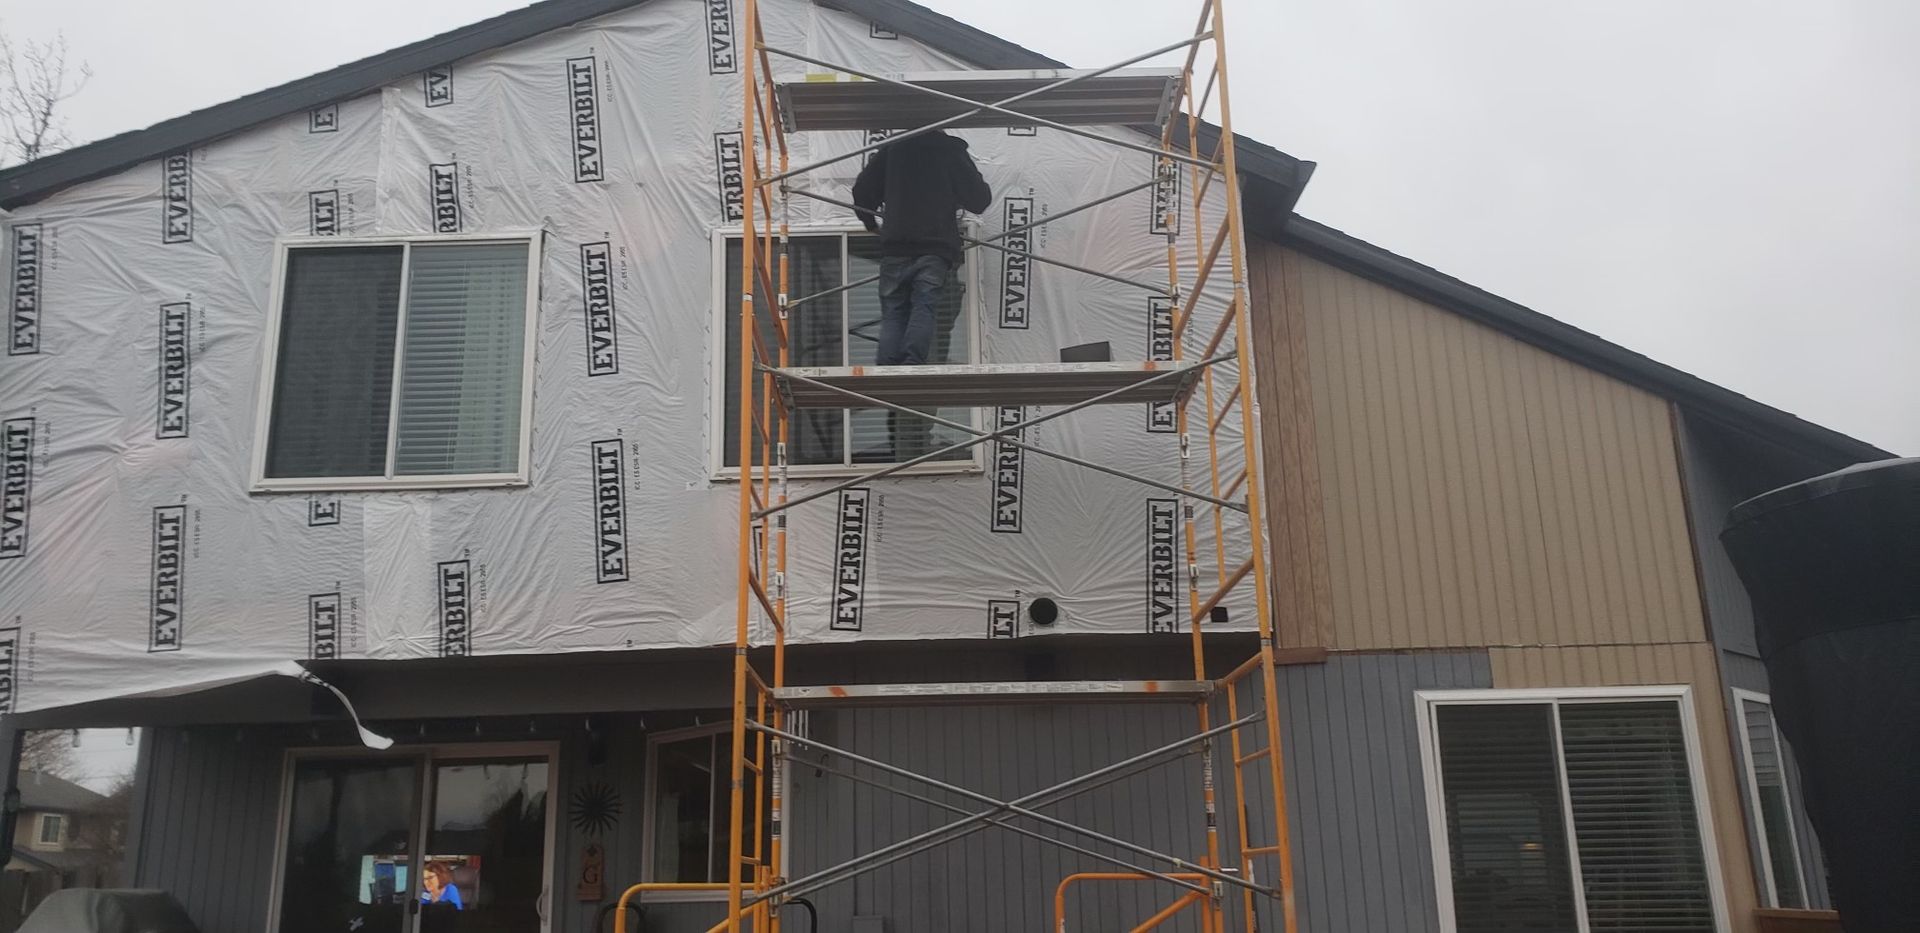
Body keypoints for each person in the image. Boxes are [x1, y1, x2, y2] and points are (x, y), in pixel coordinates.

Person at [851, 129, 992, 460]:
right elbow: (980, 200)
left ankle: (888, 367)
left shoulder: (892, 150)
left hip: (896, 245)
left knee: (894, 310)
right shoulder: (949, 150)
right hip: (934, 246)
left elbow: (861, 191)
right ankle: (914, 363)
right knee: (924, 306)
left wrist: (871, 224)